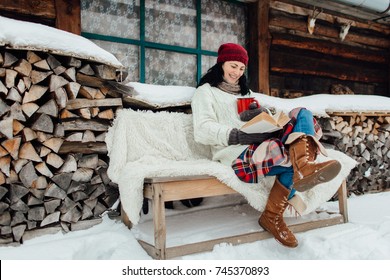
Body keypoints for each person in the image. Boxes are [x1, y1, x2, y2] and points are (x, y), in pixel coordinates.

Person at [191, 42, 341, 248]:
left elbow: (259, 121)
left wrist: (263, 115)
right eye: (233, 66)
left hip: (261, 142)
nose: (237, 72)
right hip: (234, 151)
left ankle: (303, 165)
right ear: (222, 64)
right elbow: (202, 129)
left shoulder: (245, 93)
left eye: (241, 68)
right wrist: (237, 135)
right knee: (288, 159)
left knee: (302, 113)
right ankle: (275, 212)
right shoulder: (205, 92)